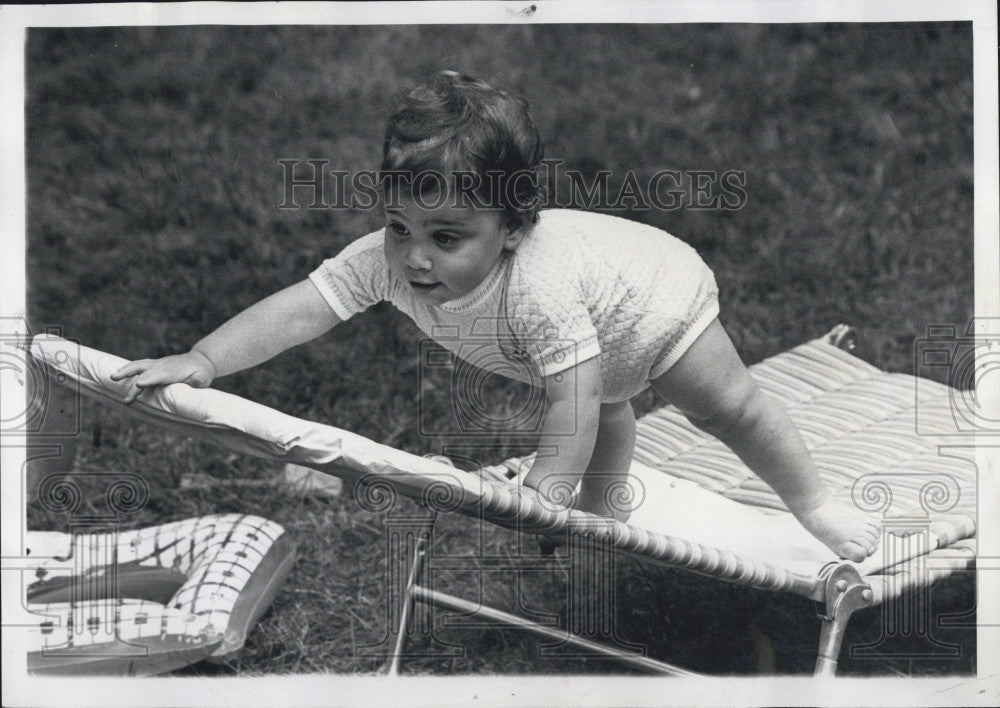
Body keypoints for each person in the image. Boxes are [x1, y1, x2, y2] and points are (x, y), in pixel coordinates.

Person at [111, 71, 881, 562]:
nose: (415, 260)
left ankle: (814, 502)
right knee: (612, 413)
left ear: (512, 229)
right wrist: (203, 360)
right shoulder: (388, 258)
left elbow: (568, 397)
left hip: (651, 303)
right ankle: (606, 521)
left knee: (727, 406)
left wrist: (543, 493)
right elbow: (300, 310)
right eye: (400, 226)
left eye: (447, 239)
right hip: (594, 341)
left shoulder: (537, 286)